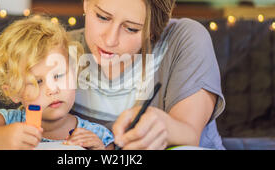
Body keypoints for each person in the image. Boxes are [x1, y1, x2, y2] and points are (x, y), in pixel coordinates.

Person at [68, 0, 226, 149]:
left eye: (131, 28)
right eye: (102, 17)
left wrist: (167, 127)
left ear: (153, 30)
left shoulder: (184, 39)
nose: (110, 40)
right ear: (86, 3)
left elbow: (189, 134)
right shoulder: (59, 48)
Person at [0, 17, 114, 150]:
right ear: (14, 92)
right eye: (37, 81)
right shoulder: (8, 123)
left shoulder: (95, 135)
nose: (53, 89)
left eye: (59, 75)